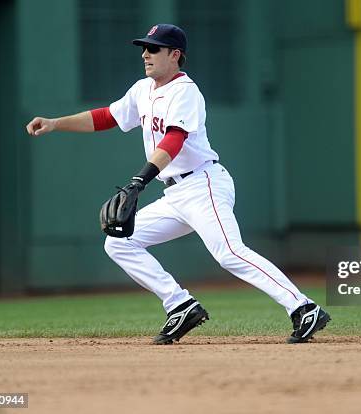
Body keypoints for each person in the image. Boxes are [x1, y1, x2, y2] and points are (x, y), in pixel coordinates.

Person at [26, 24, 330, 344]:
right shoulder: (143, 89)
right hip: (175, 192)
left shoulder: (186, 91)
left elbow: (175, 138)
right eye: (144, 47)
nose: (145, 53)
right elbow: (108, 117)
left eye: (154, 48)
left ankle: (303, 307)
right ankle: (180, 305)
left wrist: (138, 181)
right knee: (119, 242)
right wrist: (56, 123)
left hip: (203, 184)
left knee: (228, 252)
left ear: (175, 55)